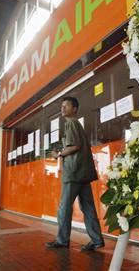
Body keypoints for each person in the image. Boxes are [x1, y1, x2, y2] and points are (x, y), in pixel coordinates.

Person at [46, 96, 105, 251]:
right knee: (88, 207)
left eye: (66, 106)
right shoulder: (76, 124)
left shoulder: (71, 124)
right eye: (62, 106)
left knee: (64, 208)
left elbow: (74, 146)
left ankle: (62, 240)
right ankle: (97, 240)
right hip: (83, 173)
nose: (62, 109)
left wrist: (59, 153)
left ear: (75, 109)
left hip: (73, 173)